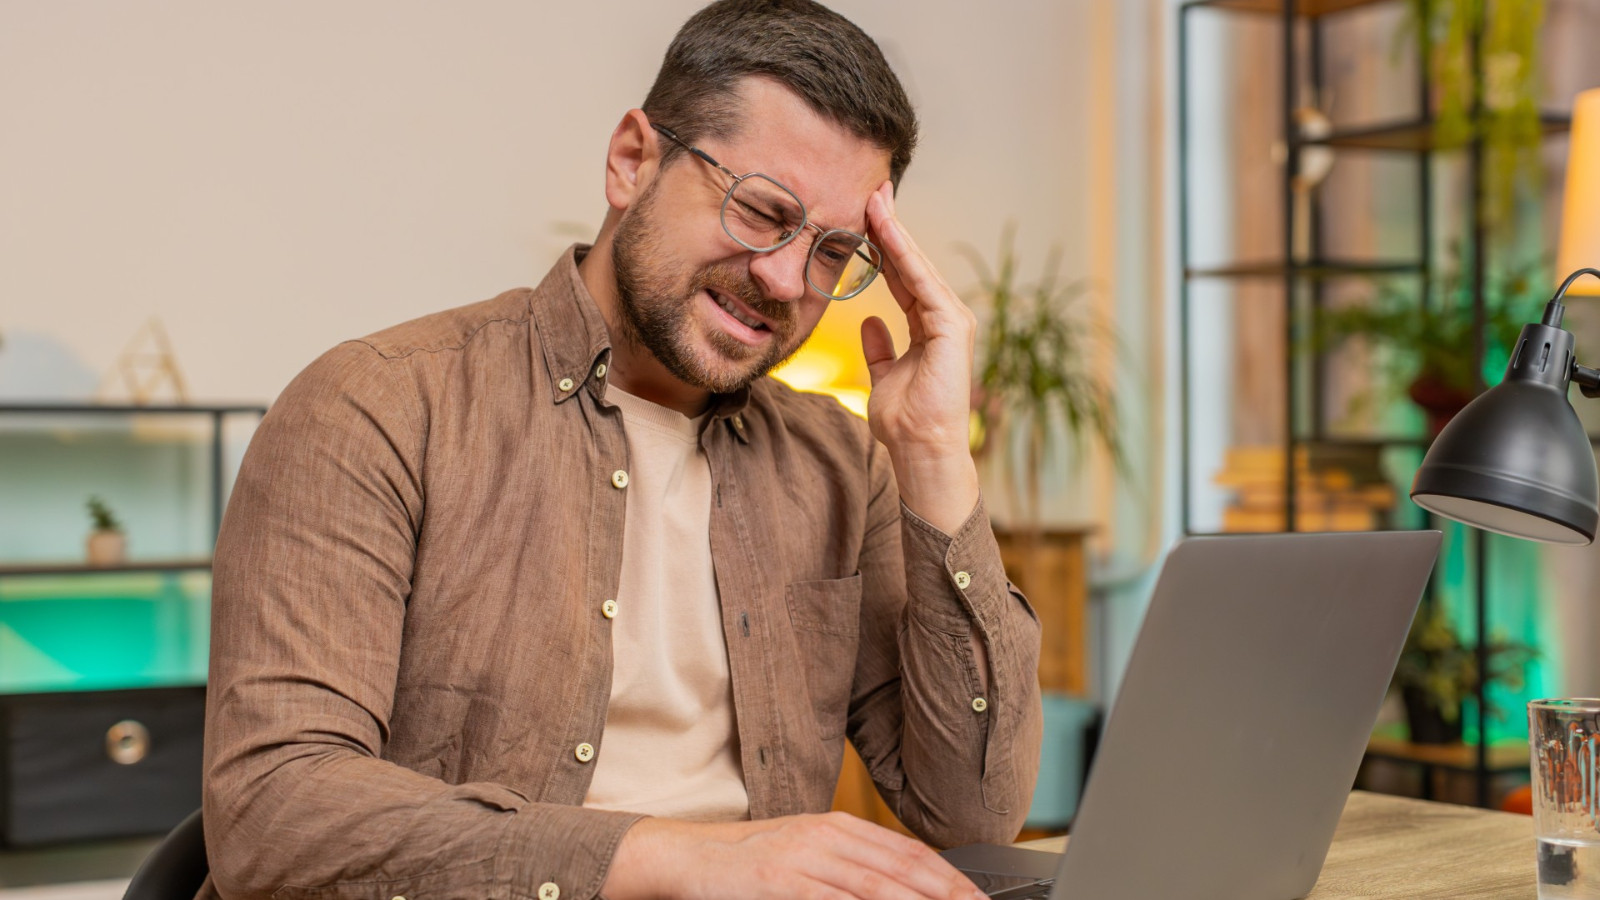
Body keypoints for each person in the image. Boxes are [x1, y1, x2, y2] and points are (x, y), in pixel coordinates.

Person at [199, 2, 1043, 898]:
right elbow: (274, 812)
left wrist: (934, 453)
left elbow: (973, 813)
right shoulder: (378, 406)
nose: (785, 279)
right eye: (762, 211)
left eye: (833, 252)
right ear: (633, 161)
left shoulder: (840, 465)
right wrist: (679, 858)